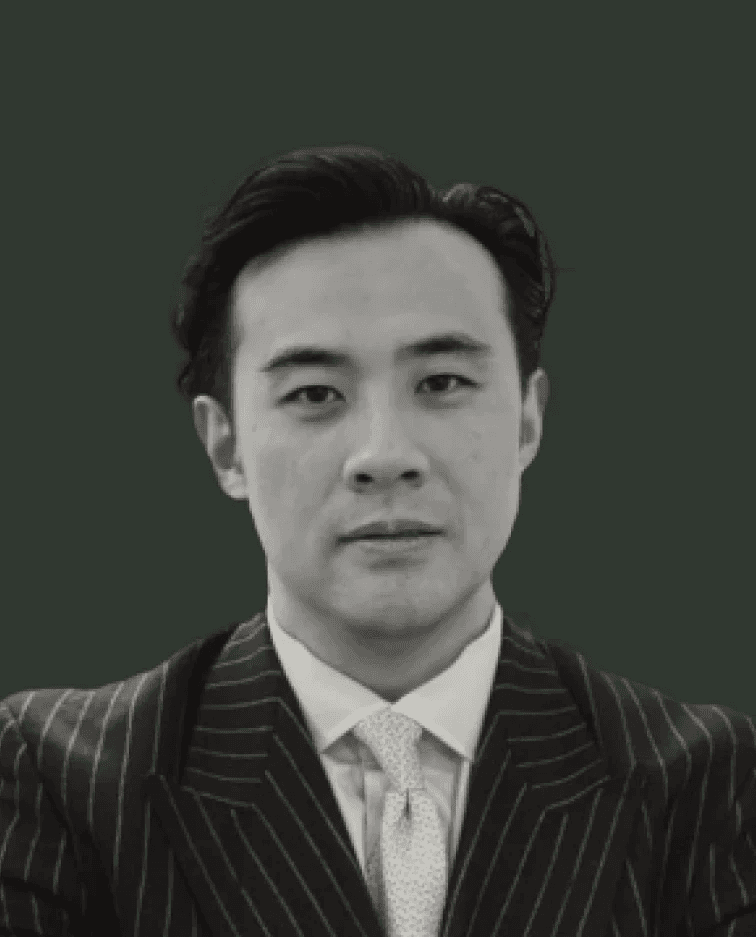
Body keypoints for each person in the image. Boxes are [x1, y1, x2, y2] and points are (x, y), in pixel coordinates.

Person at [1, 146, 754, 937]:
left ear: (528, 420)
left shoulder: (706, 783)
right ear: (225, 446)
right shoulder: (60, 781)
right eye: (314, 393)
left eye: (442, 383)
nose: (385, 454)